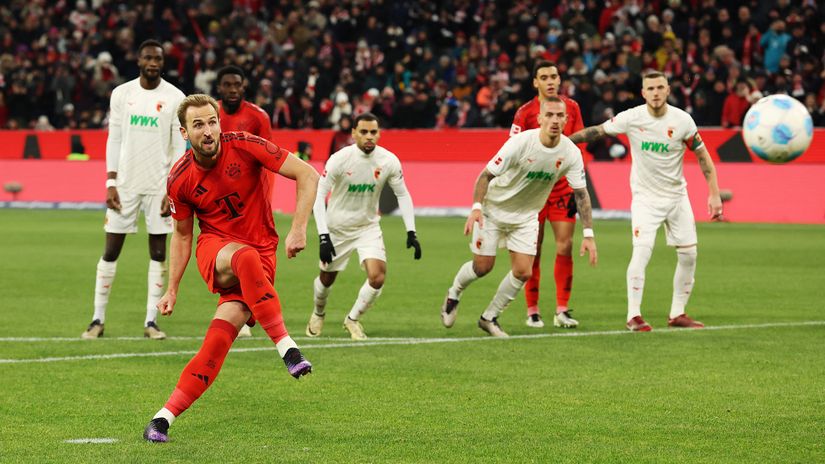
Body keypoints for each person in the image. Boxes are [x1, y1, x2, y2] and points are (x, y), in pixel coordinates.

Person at [142, 94, 319, 442]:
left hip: (262, 255)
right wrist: (173, 287)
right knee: (243, 257)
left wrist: (298, 227)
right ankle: (287, 347)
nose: (208, 131)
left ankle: (162, 419)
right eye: (198, 125)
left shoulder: (245, 145)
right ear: (184, 132)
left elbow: (308, 174)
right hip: (216, 251)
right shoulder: (179, 179)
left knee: (216, 343)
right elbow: (181, 236)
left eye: (212, 122)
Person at [568, 72, 722, 332]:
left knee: (689, 255)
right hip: (645, 199)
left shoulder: (683, 121)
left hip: (677, 197)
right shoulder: (632, 117)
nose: (656, 92)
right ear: (643, 92)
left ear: (668, 90)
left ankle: (677, 313)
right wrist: (565, 141)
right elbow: (598, 131)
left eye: (660, 87)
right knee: (642, 250)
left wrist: (714, 193)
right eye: (650, 88)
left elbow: (703, 156)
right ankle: (633, 316)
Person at [441, 98, 597, 337]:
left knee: (523, 271)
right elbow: (485, 176)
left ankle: (489, 317)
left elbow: (581, 194)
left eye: (560, 116)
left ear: (566, 120)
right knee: (483, 267)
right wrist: (476, 208)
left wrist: (588, 234)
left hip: (526, 216)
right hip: (493, 210)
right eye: (550, 115)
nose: (555, 120)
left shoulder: (571, 153)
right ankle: (454, 293)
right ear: (540, 118)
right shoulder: (521, 143)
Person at [81, 39, 186, 340]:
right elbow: (114, 138)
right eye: (148, 58)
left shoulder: (175, 97)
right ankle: (97, 319)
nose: (153, 63)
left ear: (163, 63)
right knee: (111, 251)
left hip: (159, 187)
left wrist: (172, 189)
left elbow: (179, 147)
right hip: (125, 185)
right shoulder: (122, 94)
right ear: (138, 61)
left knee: (157, 253)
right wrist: (110, 182)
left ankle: (151, 322)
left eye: (158, 59)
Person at [306, 112, 421, 340]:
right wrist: (323, 236)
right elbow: (319, 196)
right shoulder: (340, 159)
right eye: (364, 132)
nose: (369, 137)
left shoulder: (388, 161)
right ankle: (318, 312)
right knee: (326, 279)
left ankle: (353, 319)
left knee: (377, 276)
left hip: (368, 227)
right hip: (337, 228)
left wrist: (411, 231)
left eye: (373, 132)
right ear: (354, 134)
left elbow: (403, 194)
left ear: (379, 134)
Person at [510, 60, 587, 329]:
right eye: (544, 77)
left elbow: (579, 142)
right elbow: (513, 150)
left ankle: (562, 309)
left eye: (554, 76)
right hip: (533, 191)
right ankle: (532, 310)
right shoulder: (524, 113)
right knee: (534, 249)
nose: (551, 81)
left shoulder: (572, 108)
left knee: (565, 246)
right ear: (535, 82)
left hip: (563, 188)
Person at [215, 64, 274, 338]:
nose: (232, 90)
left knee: (252, 256)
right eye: (227, 85)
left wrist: (266, 199)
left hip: (250, 198)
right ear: (220, 88)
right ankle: (236, 308)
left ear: (243, 87)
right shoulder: (211, 114)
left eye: (237, 85)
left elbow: (270, 159)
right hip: (219, 198)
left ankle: (245, 310)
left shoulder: (258, 117)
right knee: (227, 254)